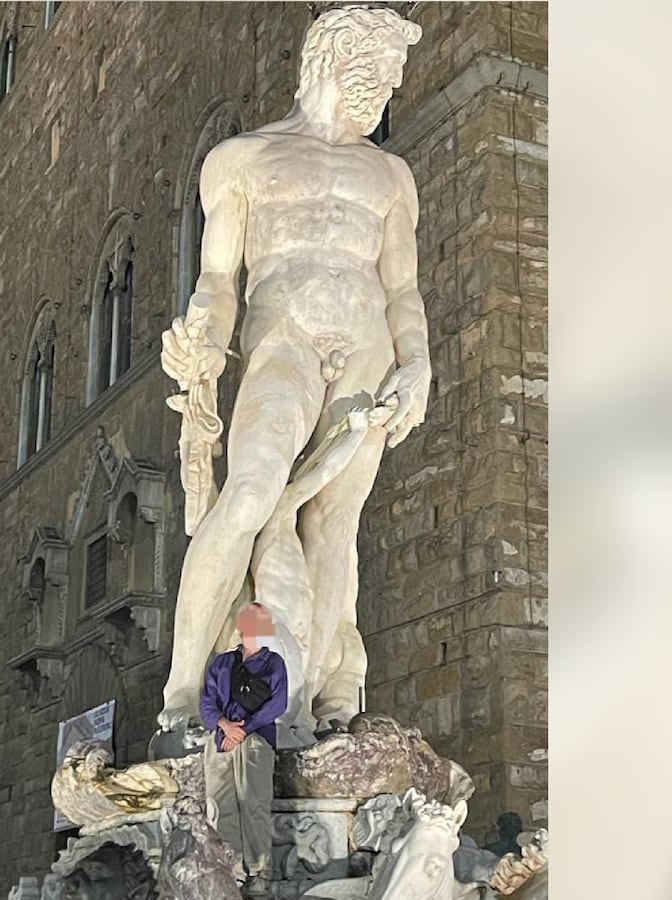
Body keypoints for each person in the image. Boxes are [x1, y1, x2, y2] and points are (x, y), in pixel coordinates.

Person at [159, 6, 429, 731]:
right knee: (248, 495)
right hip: (282, 336)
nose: (387, 90)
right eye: (378, 71)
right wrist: (204, 334)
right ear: (332, 58)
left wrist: (420, 363)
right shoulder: (243, 159)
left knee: (335, 522)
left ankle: (310, 698)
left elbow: (402, 288)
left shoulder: (391, 176)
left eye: (396, 79)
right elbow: (218, 281)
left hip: (368, 343)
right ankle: (183, 690)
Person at [201, 603, 288, 895]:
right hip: (222, 740)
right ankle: (233, 871)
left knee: (254, 804)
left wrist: (243, 729)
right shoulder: (222, 664)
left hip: (255, 739)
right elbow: (207, 703)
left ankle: (260, 870)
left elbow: (278, 703)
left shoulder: (273, 662)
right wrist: (225, 725)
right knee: (222, 806)